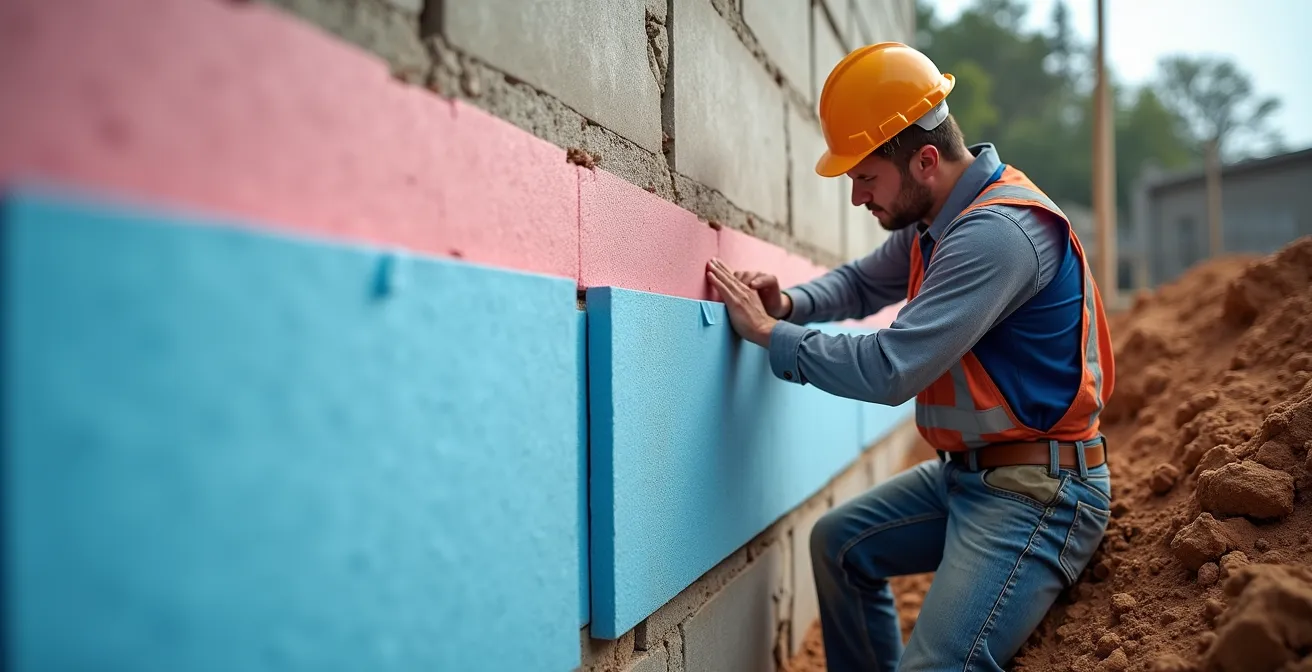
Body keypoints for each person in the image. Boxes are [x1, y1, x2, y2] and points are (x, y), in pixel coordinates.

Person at [704, 42, 1116, 671]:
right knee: (839, 545)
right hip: (972, 477)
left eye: (865, 178)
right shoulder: (941, 220)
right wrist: (786, 303)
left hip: (1039, 491)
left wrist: (770, 336)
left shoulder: (995, 235)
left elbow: (893, 368)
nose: (856, 198)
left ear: (924, 160)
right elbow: (863, 284)